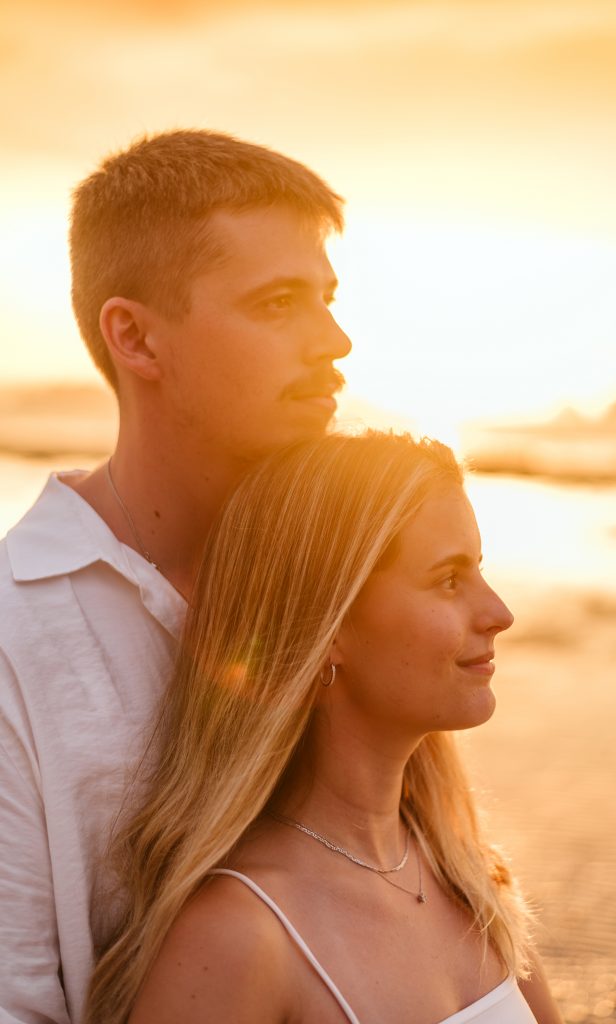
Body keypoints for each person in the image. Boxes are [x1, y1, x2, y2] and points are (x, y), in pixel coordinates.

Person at [0, 129, 351, 1024]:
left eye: (328, 300)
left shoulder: (346, 581)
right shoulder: (15, 635)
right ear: (136, 338)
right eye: (278, 304)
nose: (336, 342)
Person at [86, 431, 562, 1024]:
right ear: (330, 627)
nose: (499, 613)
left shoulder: (469, 878)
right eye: (448, 579)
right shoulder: (236, 939)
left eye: (479, 572)